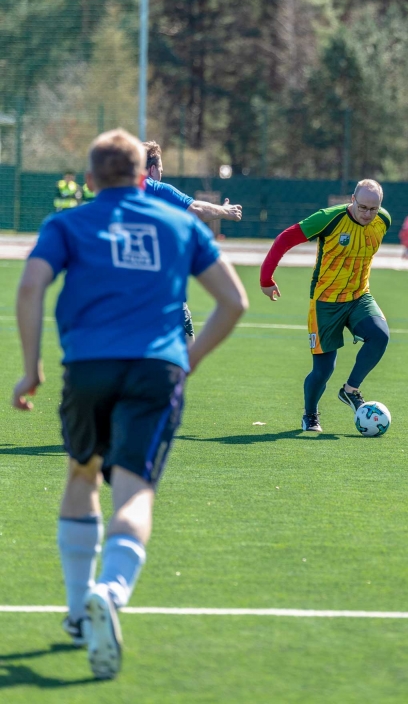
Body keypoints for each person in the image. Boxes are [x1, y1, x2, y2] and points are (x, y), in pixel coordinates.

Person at [12, 129, 248, 680]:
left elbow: (30, 288)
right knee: (134, 490)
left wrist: (30, 369)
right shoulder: (178, 222)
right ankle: (111, 592)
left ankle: (76, 611)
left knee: (81, 475)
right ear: (146, 176)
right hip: (155, 367)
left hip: (88, 367)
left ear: (90, 179)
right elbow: (233, 302)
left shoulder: (68, 222)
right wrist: (187, 361)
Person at [260, 179, 391, 433]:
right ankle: (310, 414)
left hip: (358, 297)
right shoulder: (328, 218)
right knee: (323, 370)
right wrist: (266, 278)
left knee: (380, 336)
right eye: (362, 207)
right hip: (325, 303)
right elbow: (284, 239)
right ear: (352, 199)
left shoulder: (383, 221)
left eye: (372, 209)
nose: (367, 214)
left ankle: (350, 390)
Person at [143, 140, 243, 342]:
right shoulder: (155, 189)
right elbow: (196, 209)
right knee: (183, 356)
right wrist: (225, 211)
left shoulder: (112, 192)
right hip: (163, 295)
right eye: (160, 169)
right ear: (152, 169)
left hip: (121, 298)